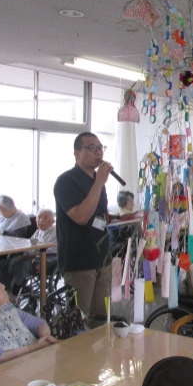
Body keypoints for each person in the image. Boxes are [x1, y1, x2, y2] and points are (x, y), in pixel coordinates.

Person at [54, 132, 115, 326]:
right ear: (76, 153)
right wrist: (99, 183)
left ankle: (100, 347)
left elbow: (100, 215)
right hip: (79, 261)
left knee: (101, 318)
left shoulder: (98, 181)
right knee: (78, 320)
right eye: (92, 148)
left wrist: (113, 218)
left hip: (102, 256)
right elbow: (80, 217)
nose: (98, 152)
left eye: (100, 148)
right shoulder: (66, 181)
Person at [0, 209, 57, 295]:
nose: (41, 220)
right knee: (3, 263)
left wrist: (34, 255)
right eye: (39, 217)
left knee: (23, 265)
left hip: (44, 259)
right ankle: (4, 291)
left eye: (45, 218)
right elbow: (28, 244)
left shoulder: (55, 232)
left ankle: (16, 290)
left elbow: (54, 249)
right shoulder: (38, 232)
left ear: (52, 221)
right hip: (30, 256)